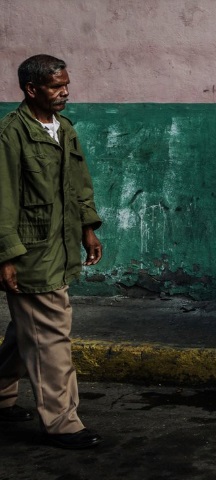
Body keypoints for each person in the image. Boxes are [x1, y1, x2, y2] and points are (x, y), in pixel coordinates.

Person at [0, 54, 104, 449]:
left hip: (59, 248)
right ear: (31, 90)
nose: (65, 92)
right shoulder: (11, 134)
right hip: (30, 251)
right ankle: (62, 421)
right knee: (50, 333)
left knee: (27, 330)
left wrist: (87, 229)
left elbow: (78, 184)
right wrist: (6, 255)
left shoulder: (64, 129)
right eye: (56, 86)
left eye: (66, 84)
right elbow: (2, 199)